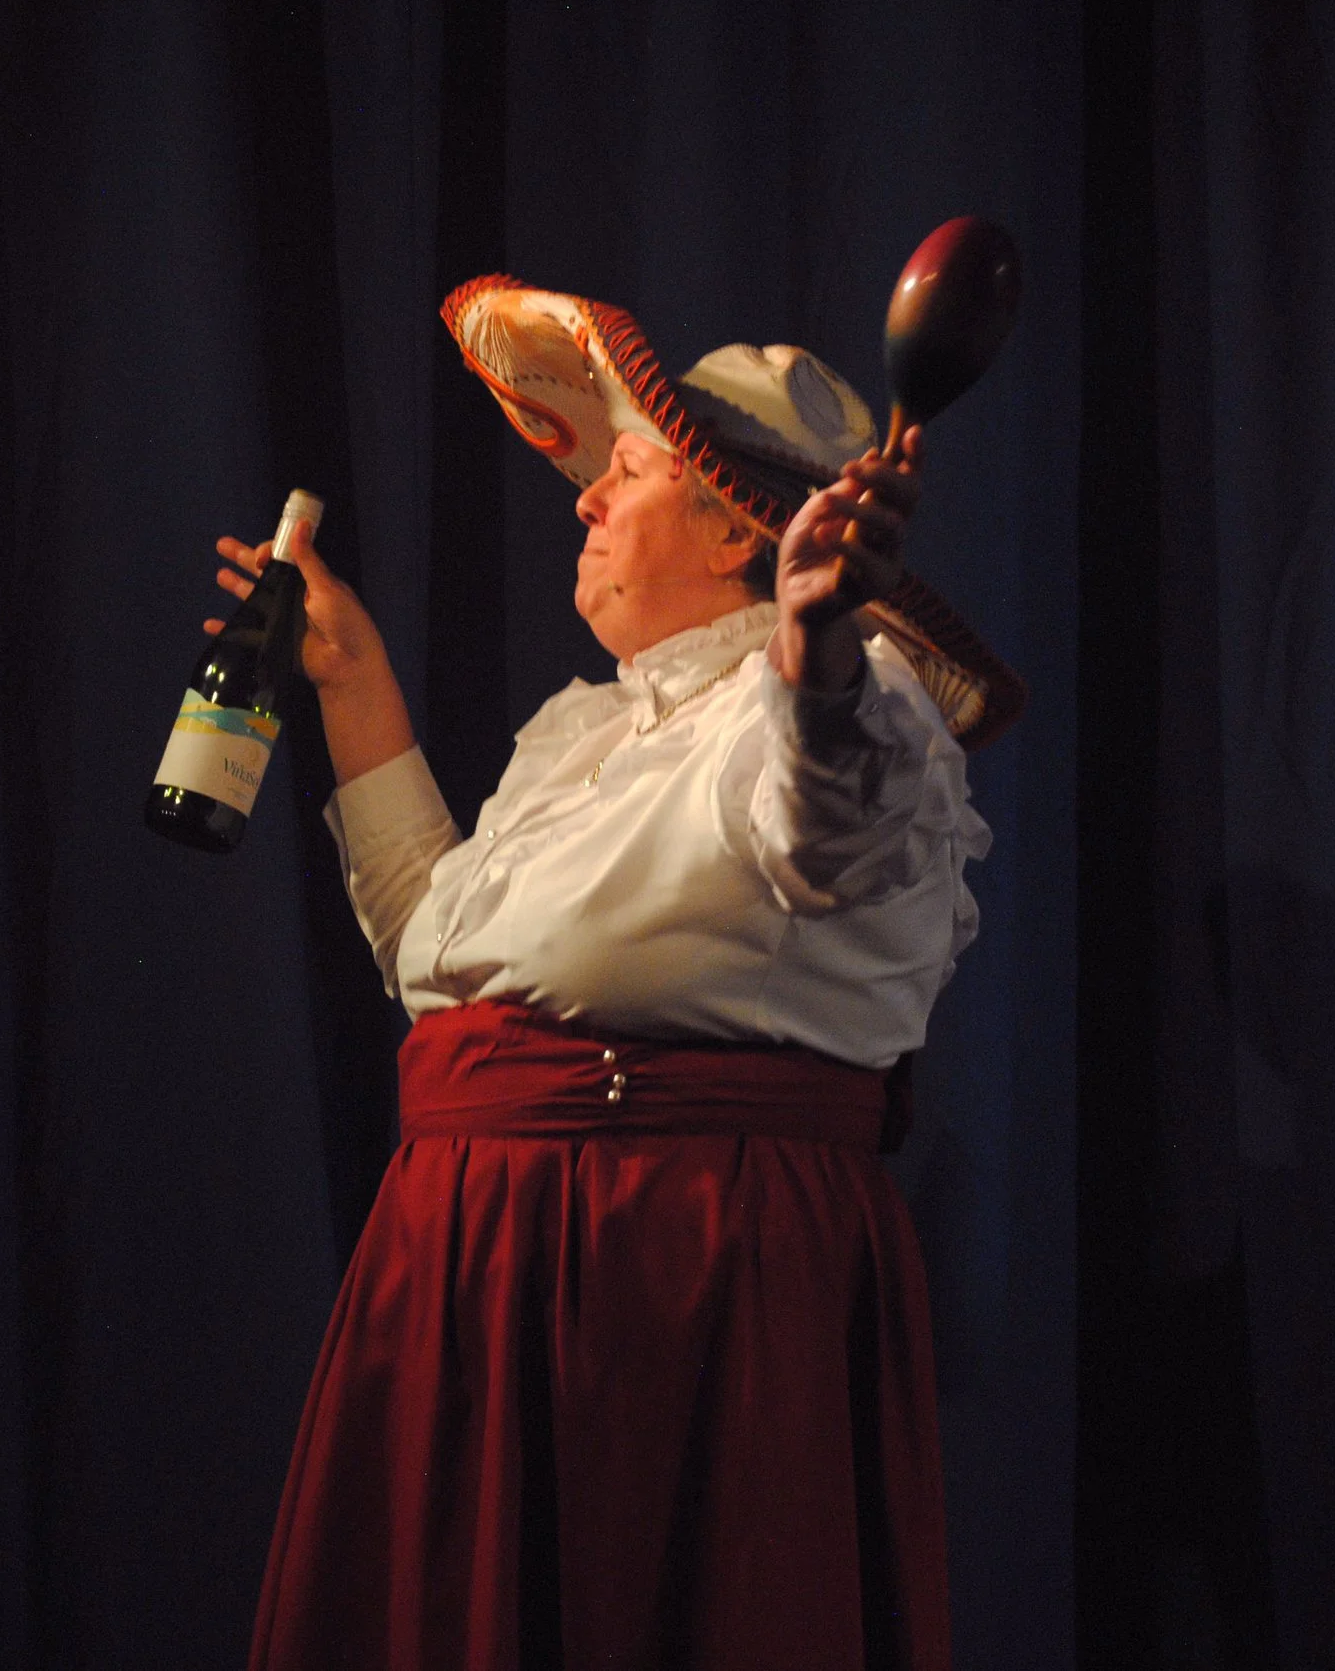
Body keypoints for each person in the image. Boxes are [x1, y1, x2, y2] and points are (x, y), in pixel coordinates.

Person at [220, 277, 1023, 1671]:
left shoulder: (849, 712)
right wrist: (353, 690)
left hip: (666, 1277)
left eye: (629, 474)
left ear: (735, 528)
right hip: (475, 1274)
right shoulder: (581, 733)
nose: (585, 502)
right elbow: (441, 970)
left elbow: (822, 811)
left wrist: (821, 636)